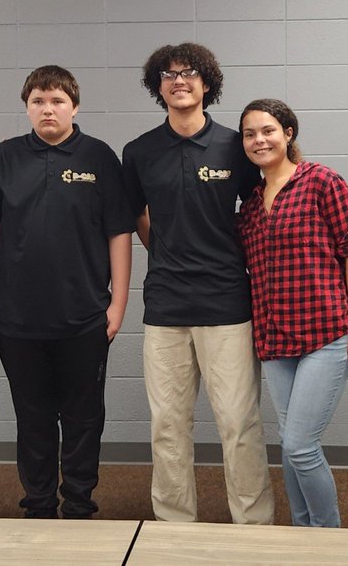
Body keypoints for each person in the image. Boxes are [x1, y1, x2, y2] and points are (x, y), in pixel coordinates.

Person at [122, 43, 274, 525]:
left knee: (238, 423)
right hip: (165, 306)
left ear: (207, 84)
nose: (178, 80)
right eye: (168, 75)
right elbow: (137, 218)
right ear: (158, 87)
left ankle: (253, 524)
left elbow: (262, 209)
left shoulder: (236, 146)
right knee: (168, 424)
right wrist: (167, 253)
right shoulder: (140, 151)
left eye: (189, 73)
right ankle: (173, 525)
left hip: (228, 304)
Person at [0, 65, 132, 519]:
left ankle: (80, 503)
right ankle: (39, 503)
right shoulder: (3, 157)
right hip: (17, 319)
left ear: (74, 106)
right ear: (27, 107)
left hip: (85, 317)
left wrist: (118, 304)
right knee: (33, 417)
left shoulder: (100, 157)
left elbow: (119, 234)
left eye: (57, 100)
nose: (48, 109)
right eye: (39, 101)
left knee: (84, 418)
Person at [237, 99, 348, 527]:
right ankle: (301, 534)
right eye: (249, 134)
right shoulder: (253, 203)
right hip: (275, 340)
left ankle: (328, 537)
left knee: (300, 445)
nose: (259, 140)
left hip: (325, 336)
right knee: (288, 443)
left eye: (268, 130)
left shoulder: (321, 182)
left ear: (288, 133)